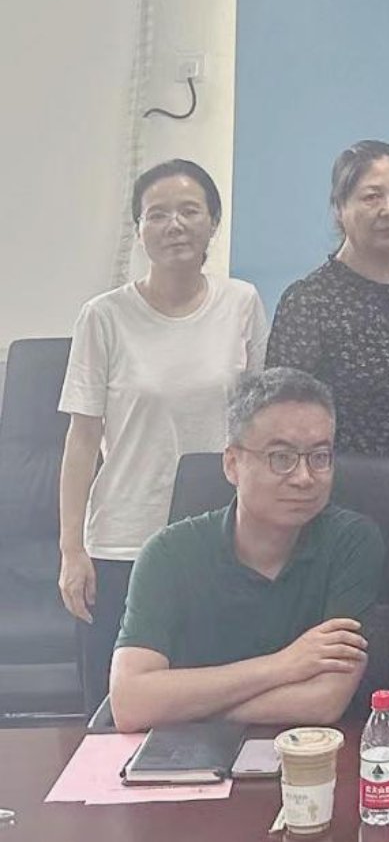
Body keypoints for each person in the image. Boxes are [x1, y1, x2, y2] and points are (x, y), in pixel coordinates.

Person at [57, 159, 268, 713]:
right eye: (157, 214)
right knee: (114, 715)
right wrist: (72, 550)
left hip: (220, 537)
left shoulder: (241, 303)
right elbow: (82, 441)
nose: (174, 225)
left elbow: (261, 423)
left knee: (216, 707)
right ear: (140, 228)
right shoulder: (103, 317)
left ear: (213, 222)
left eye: (189, 211)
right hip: (124, 540)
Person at [267, 140, 389, 714]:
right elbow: (283, 417)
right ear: (339, 206)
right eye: (371, 196)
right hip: (348, 499)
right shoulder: (309, 300)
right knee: (356, 645)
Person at [107, 368, 384, 733]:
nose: (304, 477)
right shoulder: (166, 555)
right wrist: (284, 664)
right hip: (187, 757)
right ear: (232, 464)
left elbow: (323, 701)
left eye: (320, 457)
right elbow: (130, 702)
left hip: (312, 751)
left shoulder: (352, 542)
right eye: (281, 457)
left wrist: (184, 707)